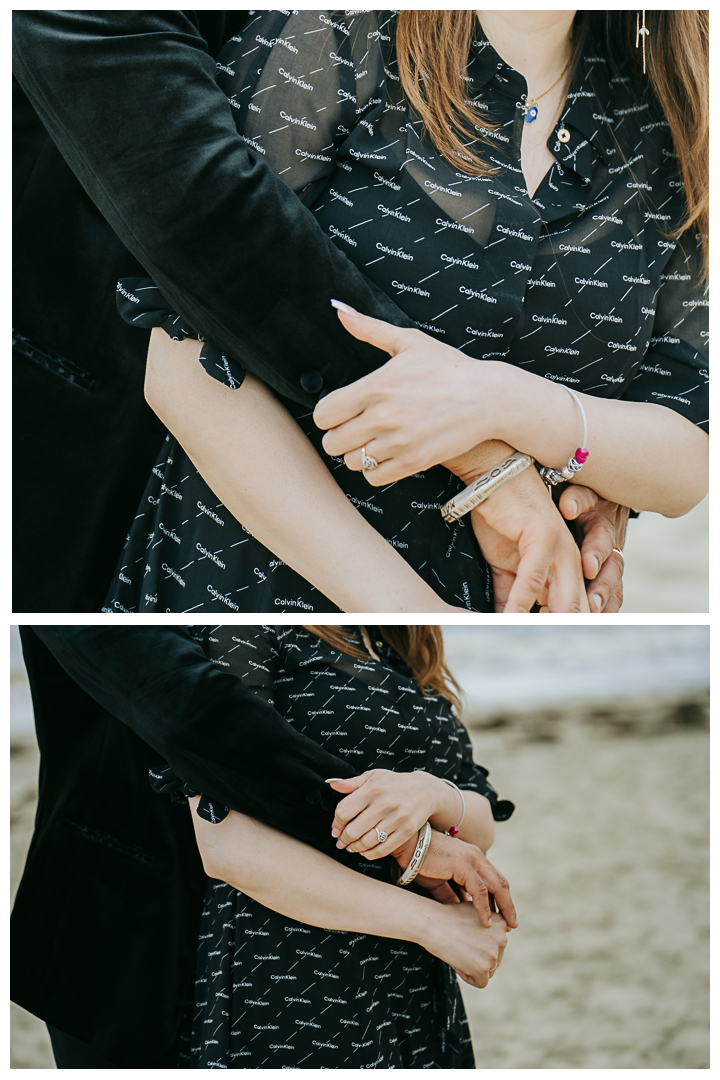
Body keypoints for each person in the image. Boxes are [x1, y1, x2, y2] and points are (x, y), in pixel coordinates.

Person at [12, 9, 627, 614]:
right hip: (100, 420)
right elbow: (204, 203)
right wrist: (488, 457)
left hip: (459, 547)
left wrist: (586, 460)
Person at [11, 624, 516, 1068]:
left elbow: (481, 819)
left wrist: (433, 794)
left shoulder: (402, 638)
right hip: (292, 967)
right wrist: (423, 892)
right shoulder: (242, 619)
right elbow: (228, 831)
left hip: (412, 979)